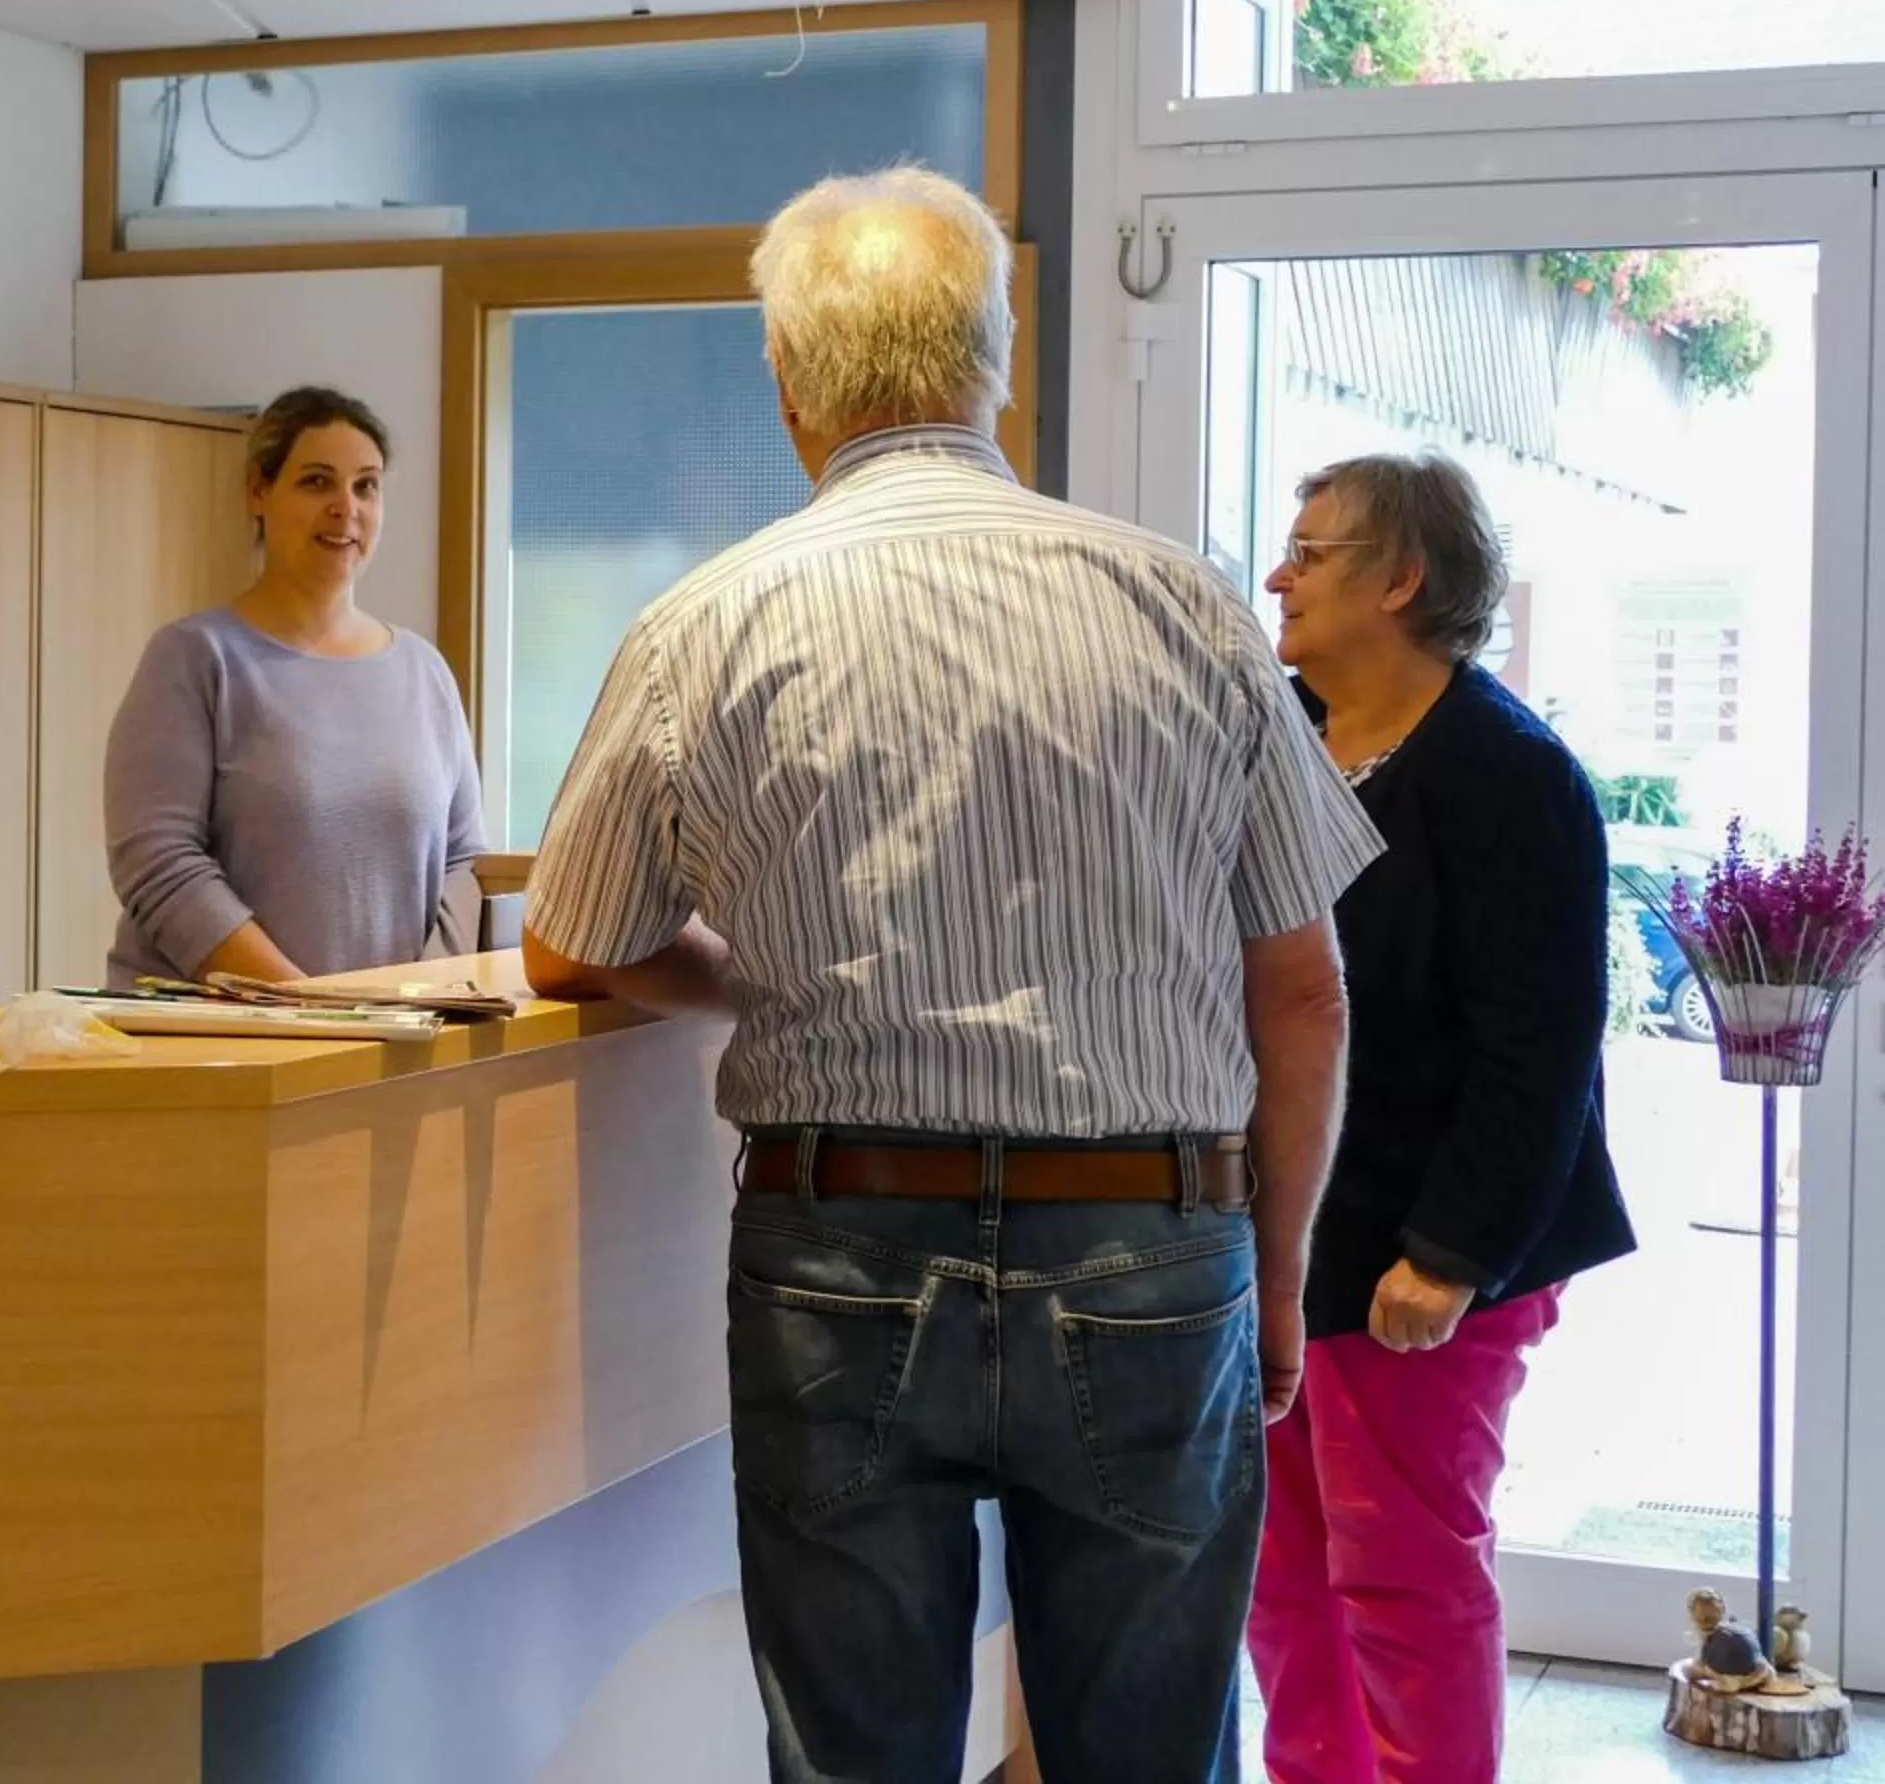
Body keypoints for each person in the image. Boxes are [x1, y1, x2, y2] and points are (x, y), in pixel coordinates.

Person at [520, 165, 1381, 1784]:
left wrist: (746, 980)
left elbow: (573, 945)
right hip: (1151, 1240)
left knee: (855, 1757)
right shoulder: (1184, 606)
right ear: (995, 358)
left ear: (787, 384)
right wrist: (1275, 1284)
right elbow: (1308, 992)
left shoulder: (703, 625)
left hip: (837, 1251)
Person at [1249, 454, 1636, 1784]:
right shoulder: (1279, 735)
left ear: (1402, 579)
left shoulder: (1507, 772)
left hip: (1426, 1250)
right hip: (1287, 1237)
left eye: (1309, 551)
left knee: (1401, 1583)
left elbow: (1542, 1047)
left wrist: (1455, 1253)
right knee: (1278, 1581)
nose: (1277, 576)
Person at [104, 385, 482, 986]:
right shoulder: (195, 659)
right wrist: (301, 1006)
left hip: (388, 1041)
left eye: (366, 485)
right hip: (225, 1044)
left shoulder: (425, 671)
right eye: (316, 482)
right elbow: (160, 865)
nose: (346, 507)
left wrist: (421, 994)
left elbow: (465, 861)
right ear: (259, 491)